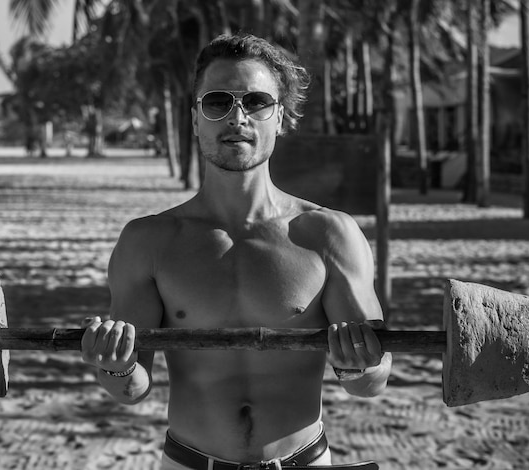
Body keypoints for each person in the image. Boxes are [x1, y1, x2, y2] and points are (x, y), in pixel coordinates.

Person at [80, 33, 392, 470]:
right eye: (217, 102)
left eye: (257, 101)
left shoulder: (327, 235)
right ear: (195, 119)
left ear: (279, 117)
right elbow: (131, 389)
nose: (237, 116)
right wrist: (115, 365)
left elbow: (371, 383)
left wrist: (358, 366)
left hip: (304, 461)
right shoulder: (149, 241)